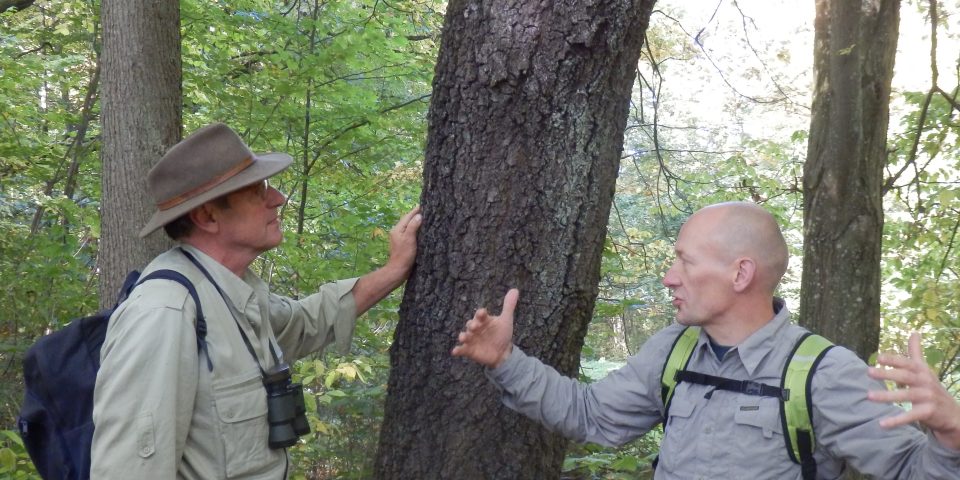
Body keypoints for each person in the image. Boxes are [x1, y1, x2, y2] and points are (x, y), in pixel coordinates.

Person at [452, 201, 960, 479]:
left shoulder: (822, 373)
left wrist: (951, 433)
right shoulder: (673, 349)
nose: (670, 278)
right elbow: (592, 416)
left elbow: (913, 471)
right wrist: (505, 360)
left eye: (684, 261)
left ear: (741, 274)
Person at [91, 123, 422, 478]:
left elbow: (306, 322)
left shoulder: (229, 289)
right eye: (256, 190)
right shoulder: (163, 314)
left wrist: (393, 271)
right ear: (207, 216)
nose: (277, 198)